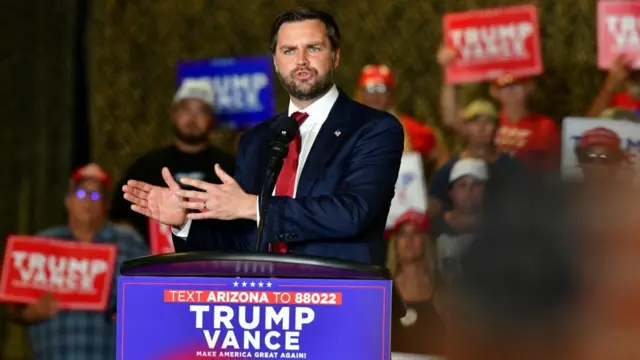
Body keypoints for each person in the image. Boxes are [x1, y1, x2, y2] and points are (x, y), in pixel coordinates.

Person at [120, 7, 404, 265]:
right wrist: (184, 224)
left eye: (313, 48)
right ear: (276, 62)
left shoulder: (374, 128)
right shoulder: (256, 140)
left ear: (336, 56)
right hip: (267, 308)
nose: (301, 61)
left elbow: (354, 213)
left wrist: (253, 205)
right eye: (289, 51)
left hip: (342, 300)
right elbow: (245, 244)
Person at [5, 164, 148, 360]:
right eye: (81, 193)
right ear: (68, 201)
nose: (88, 200)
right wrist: (28, 314)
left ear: (106, 204)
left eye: (96, 195)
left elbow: (155, 295)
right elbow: (12, 305)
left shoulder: (128, 241)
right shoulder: (43, 243)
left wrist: (134, 311)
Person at [109, 79, 235, 244]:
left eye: (201, 111)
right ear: (173, 114)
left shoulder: (228, 167)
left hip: (214, 261)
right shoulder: (146, 165)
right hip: (152, 264)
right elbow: (119, 219)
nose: (192, 118)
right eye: (186, 109)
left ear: (212, 119)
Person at [438, 46, 560, 172]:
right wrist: (449, 72)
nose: (510, 90)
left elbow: (553, 174)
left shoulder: (545, 127)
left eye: (517, 84)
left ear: (530, 87)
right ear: (494, 92)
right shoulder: (488, 121)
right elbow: (451, 118)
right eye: (504, 86)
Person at [429, 99, 525, 215]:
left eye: (489, 122)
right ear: (466, 127)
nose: (482, 127)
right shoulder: (450, 168)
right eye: (475, 121)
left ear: (497, 127)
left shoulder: (512, 168)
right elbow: (432, 204)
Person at [356, 64, 450, 170]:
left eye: (382, 89)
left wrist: (438, 184)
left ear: (391, 94)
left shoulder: (409, 129)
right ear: (360, 93)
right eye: (370, 89)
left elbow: (441, 154)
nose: (376, 96)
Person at [387, 210, 446, 356]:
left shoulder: (441, 289)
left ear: (425, 241)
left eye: (416, 232)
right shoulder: (383, 290)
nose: (409, 239)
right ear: (395, 243)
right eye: (402, 234)